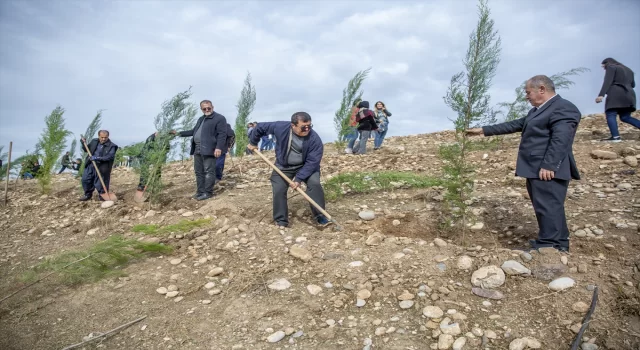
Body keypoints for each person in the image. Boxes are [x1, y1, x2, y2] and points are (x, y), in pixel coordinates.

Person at [466, 75, 581, 253]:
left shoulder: (563, 108)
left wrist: (550, 165)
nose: (526, 96)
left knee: (548, 205)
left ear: (541, 89)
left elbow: (562, 139)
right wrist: (483, 130)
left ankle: (550, 245)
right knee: (546, 205)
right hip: (536, 168)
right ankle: (556, 242)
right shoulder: (537, 111)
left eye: (528, 92)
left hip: (547, 169)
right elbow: (516, 124)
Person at [247, 112, 329, 227]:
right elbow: (260, 127)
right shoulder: (281, 127)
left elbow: (312, 162)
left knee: (314, 184)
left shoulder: (314, 139)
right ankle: (281, 221)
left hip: (305, 166)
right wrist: (253, 142)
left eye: (309, 126)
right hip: (283, 166)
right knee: (279, 189)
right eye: (303, 127)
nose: (307, 129)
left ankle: (320, 215)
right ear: (293, 125)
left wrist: (298, 179)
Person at [176, 100, 228, 201]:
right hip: (197, 149)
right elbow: (193, 131)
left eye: (209, 108)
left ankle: (208, 192)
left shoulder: (219, 118)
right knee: (198, 172)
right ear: (201, 109)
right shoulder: (201, 119)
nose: (207, 110)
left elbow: (222, 134)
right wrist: (178, 133)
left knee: (209, 171)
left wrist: (218, 147)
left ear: (212, 107)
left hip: (210, 149)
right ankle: (200, 192)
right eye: (204, 108)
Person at [596, 58, 638, 142]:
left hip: (616, 93)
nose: (604, 68)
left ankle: (615, 137)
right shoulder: (629, 70)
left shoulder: (611, 67)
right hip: (630, 94)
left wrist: (601, 95)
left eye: (603, 66)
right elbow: (633, 84)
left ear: (607, 63)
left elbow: (607, 81)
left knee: (611, 113)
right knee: (625, 117)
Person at [79, 130, 119, 201]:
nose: (103, 139)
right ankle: (87, 195)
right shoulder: (94, 141)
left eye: (105, 137)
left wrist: (97, 158)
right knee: (86, 180)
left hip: (102, 167)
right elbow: (86, 149)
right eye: (102, 137)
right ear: (98, 136)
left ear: (108, 137)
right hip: (91, 165)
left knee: (101, 183)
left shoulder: (112, 146)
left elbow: (110, 157)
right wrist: (83, 143)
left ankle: (103, 196)